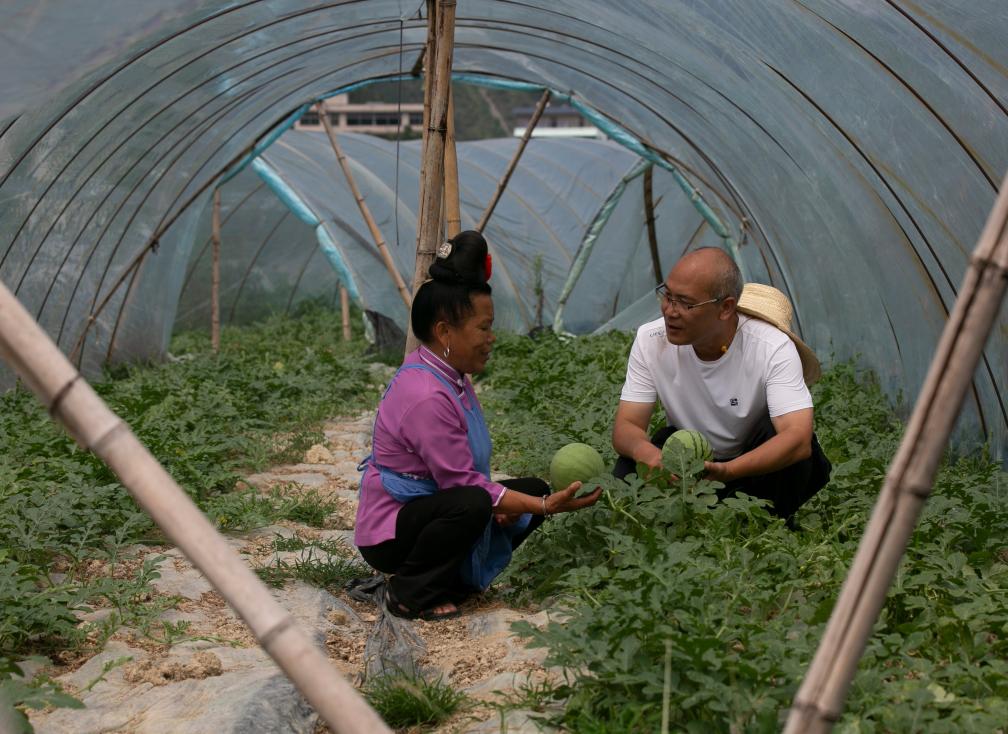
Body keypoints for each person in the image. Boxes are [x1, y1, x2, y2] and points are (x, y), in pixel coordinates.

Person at [354, 230, 601, 620]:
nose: (491, 338)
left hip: (431, 508)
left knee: (526, 491)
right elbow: (463, 486)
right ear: (444, 332)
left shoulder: (450, 376)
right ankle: (407, 592)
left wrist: (526, 501)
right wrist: (542, 507)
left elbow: (466, 476)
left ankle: (447, 582)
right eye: (483, 328)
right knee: (478, 503)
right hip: (392, 531)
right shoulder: (427, 395)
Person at [612, 247, 831, 522]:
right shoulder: (650, 340)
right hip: (684, 461)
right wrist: (651, 457)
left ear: (725, 308)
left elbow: (797, 440)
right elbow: (626, 427)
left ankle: (754, 520)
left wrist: (728, 471)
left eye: (685, 303)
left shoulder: (771, 347)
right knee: (627, 468)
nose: (669, 311)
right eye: (667, 295)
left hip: (752, 465)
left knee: (796, 456)